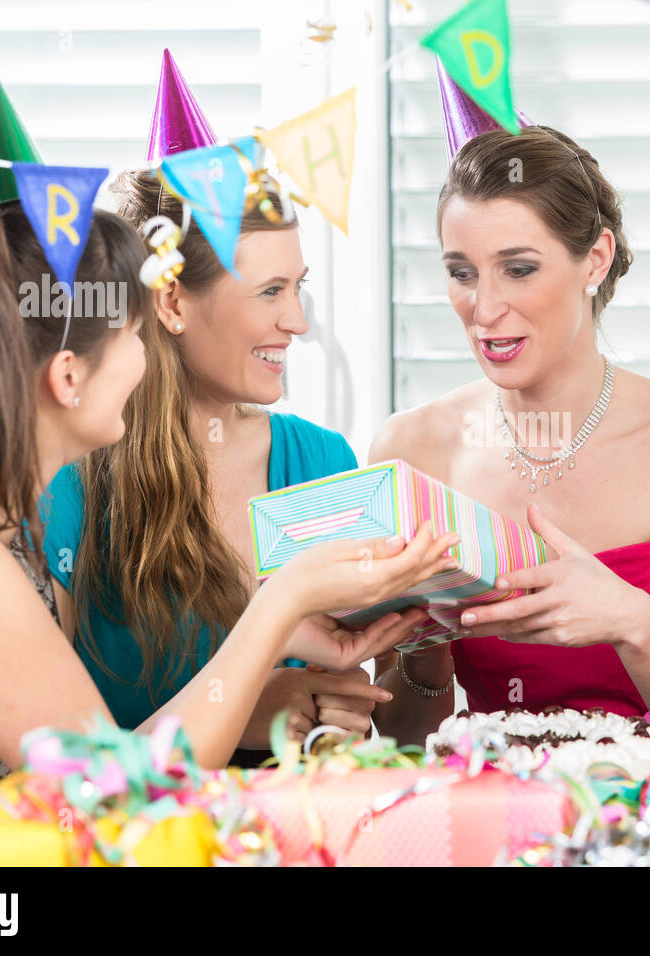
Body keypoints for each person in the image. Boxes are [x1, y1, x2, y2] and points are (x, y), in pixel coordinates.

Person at [0, 190, 458, 790]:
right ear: (68, 377)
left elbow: (104, 767)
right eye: (130, 335)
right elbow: (114, 793)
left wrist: (282, 623)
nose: (145, 360)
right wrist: (281, 604)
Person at [369, 125, 650, 745]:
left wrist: (633, 622)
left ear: (596, 260)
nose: (484, 307)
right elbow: (401, 740)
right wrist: (423, 652)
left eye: (519, 269)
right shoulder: (410, 450)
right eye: (462, 272)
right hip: (484, 817)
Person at [40, 171, 416, 754]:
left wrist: (337, 711)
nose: (298, 321)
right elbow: (59, 779)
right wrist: (243, 707)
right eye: (270, 291)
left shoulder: (323, 461)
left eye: (299, 287)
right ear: (171, 303)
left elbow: (365, 718)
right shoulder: (71, 487)